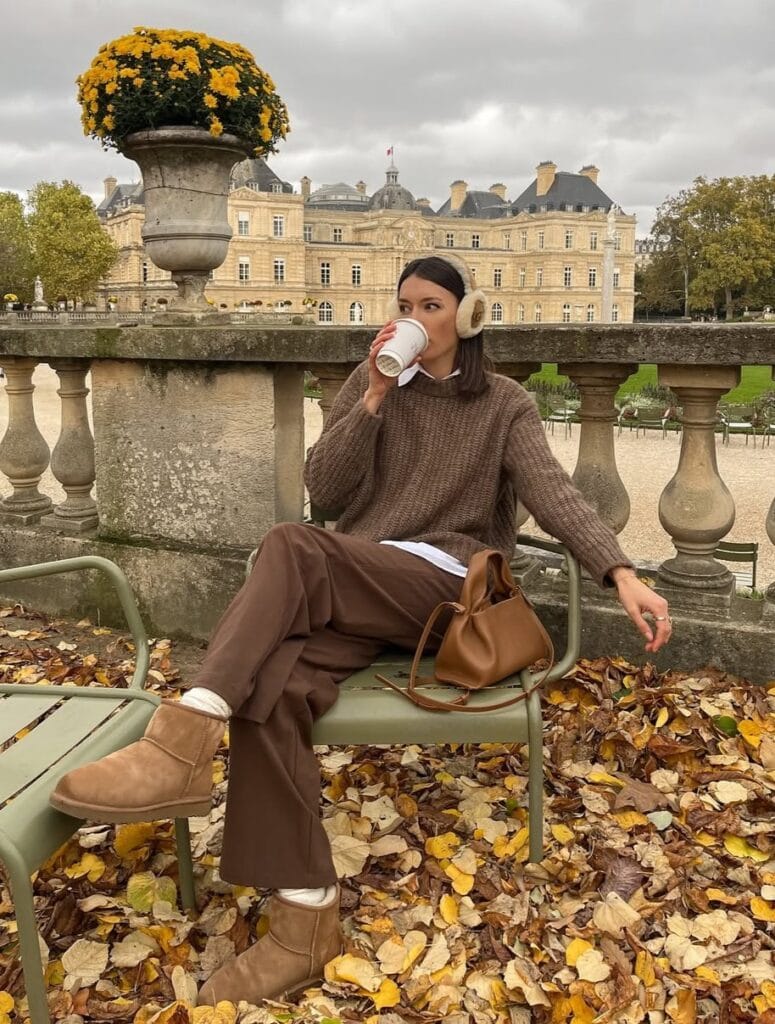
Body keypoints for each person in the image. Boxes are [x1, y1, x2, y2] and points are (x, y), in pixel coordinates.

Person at [50, 253, 671, 1006]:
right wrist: (373, 398)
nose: (415, 318)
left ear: (466, 316)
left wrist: (620, 571)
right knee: (272, 687)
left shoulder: (502, 403)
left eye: (432, 306)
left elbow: (556, 495)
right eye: (405, 303)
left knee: (289, 544)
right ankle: (303, 922)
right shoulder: (370, 381)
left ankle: (180, 739)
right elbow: (327, 489)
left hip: (443, 592)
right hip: (359, 582)